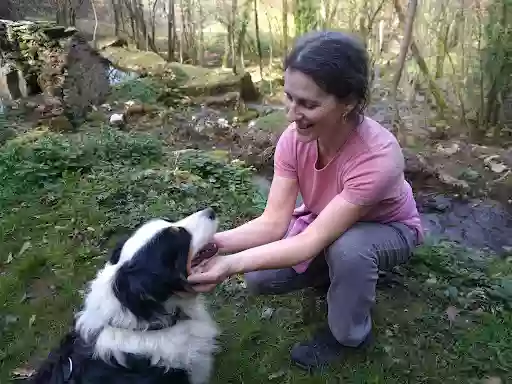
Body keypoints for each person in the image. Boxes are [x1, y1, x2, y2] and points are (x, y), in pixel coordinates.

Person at [188, 30, 423, 370]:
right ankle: (341, 275)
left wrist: (228, 266)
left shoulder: (378, 157)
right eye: (289, 98)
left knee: (350, 250)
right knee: (259, 277)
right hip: (327, 220)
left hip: (387, 228)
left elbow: (308, 241)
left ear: (349, 102)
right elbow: (273, 222)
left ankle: (349, 335)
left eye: (309, 104)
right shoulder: (293, 139)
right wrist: (212, 246)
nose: (291, 113)